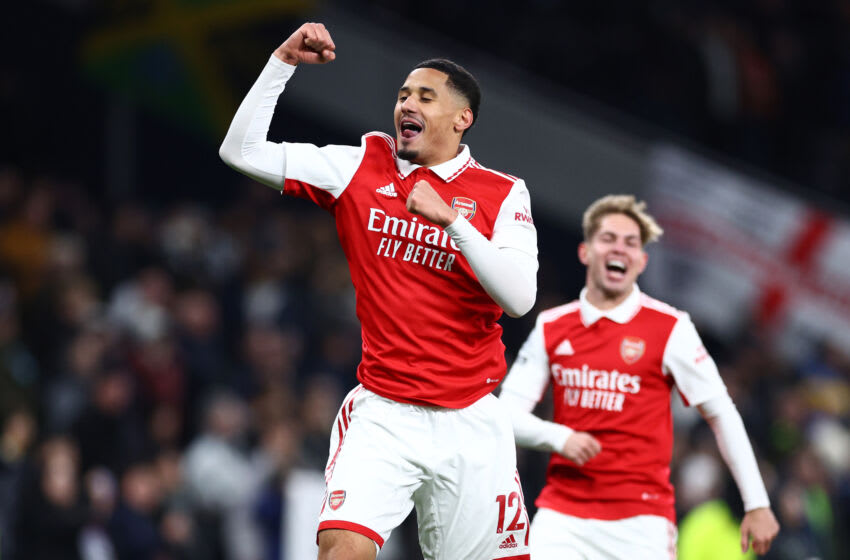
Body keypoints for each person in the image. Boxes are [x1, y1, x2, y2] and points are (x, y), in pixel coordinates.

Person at [219, 22, 537, 560]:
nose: (407, 104)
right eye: (403, 95)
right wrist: (281, 63)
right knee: (341, 549)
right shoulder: (361, 166)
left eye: (425, 97)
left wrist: (454, 223)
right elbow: (241, 151)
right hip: (384, 413)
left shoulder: (502, 193)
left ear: (462, 119)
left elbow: (520, 298)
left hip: (470, 419)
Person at [499, 194, 779, 559]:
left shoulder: (671, 328)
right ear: (585, 252)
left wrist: (757, 503)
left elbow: (722, 413)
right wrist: (559, 437)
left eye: (631, 243)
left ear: (642, 261)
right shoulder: (552, 326)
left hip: (641, 525)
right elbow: (506, 416)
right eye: (608, 238)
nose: (620, 249)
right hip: (563, 516)